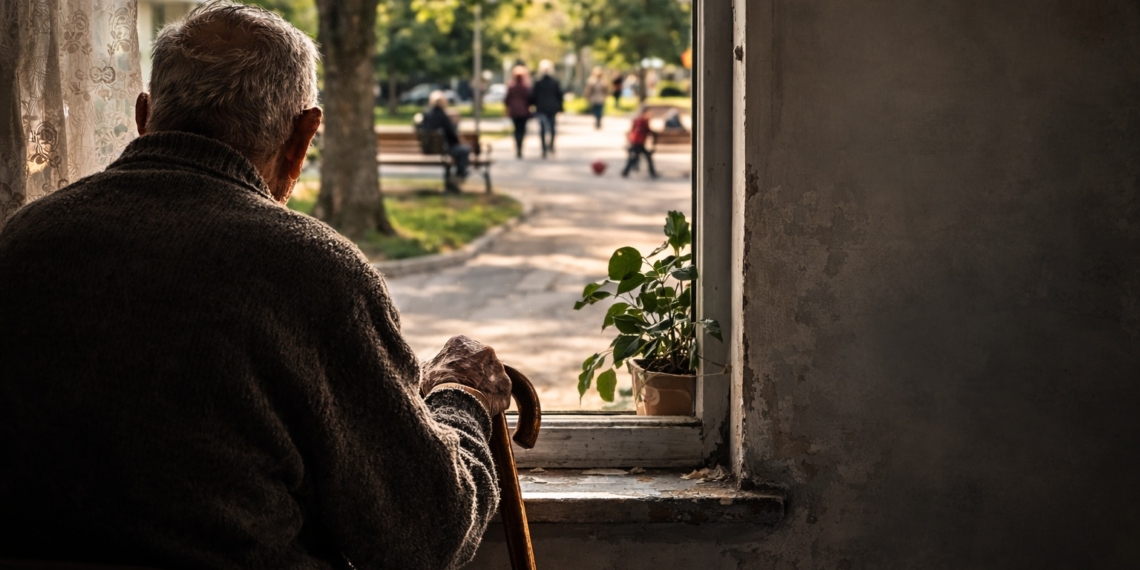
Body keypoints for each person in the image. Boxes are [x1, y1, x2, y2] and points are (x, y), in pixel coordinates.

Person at [0, 2, 510, 569]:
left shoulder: (23, 239)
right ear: (303, 134)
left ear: (144, 115)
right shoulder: (312, 271)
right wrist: (461, 400)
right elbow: (425, 534)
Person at [420, 90, 470, 191]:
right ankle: (459, 175)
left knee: (458, 152)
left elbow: (421, 128)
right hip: (444, 149)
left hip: (429, 149)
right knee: (464, 150)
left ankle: (453, 180)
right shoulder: (443, 116)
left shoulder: (426, 115)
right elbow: (452, 134)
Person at [531, 59, 564, 158]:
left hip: (541, 108)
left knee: (542, 129)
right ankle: (551, 146)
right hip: (552, 107)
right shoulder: (554, 81)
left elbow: (533, 95)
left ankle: (544, 148)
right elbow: (559, 95)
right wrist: (560, 108)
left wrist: (533, 104)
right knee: (552, 127)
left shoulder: (537, 81)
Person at [504, 65, 532, 159]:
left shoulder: (511, 86)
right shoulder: (525, 86)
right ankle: (520, 147)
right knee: (522, 130)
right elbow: (529, 99)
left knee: (516, 130)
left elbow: (507, 100)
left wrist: (508, 108)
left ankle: (518, 147)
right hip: (523, 112)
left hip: (514, 111)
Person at [623, 105, 658, 178]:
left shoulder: (637, 119)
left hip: (635, 140)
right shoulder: (644, 120)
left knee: (635, 157)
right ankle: (652, 172)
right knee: (638, 157)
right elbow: (647, 130)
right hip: (639, 141)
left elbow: (632, 130)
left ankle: (626, 171)